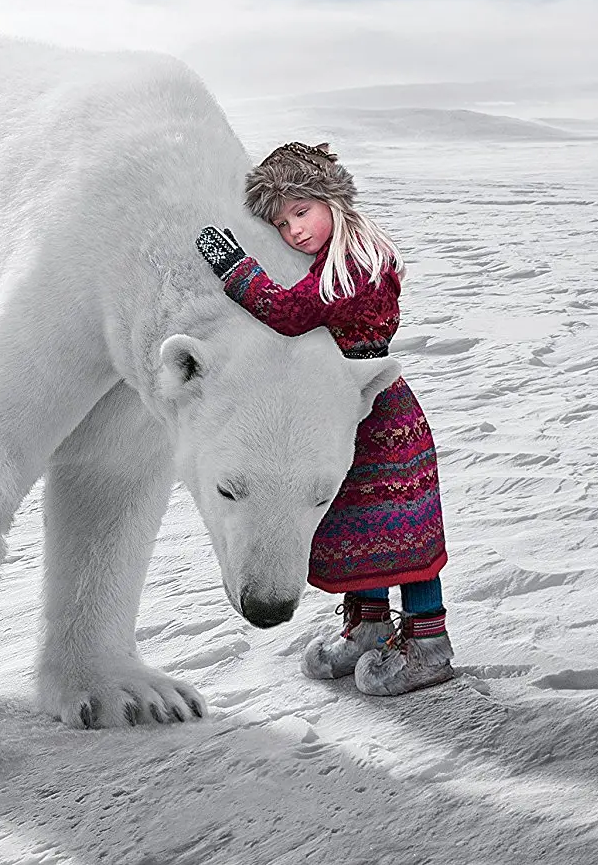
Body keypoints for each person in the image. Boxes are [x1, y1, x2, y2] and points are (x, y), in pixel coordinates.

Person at [194, 141, 454, 696]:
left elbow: (290, 314)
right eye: (282, 222)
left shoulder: (353, 264)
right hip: (337, 413)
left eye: (301, 211)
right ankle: (368, 628)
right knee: (356, 529)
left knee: (401, 530)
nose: (294, 231)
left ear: (332, 200)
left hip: (377, 410)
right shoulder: (340, 255)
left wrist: (233, 266)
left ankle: (429, 643)